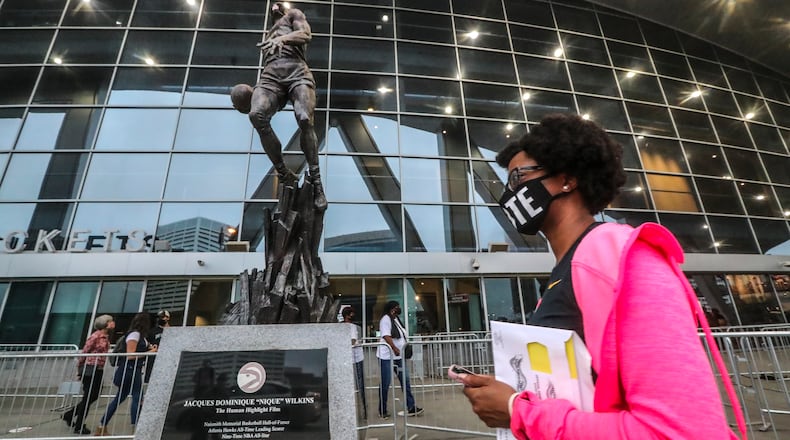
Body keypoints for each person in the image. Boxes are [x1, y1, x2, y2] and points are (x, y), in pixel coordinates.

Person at [457, 114, 746, 439]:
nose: (510, 194)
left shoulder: (623, 258)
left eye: (518, 178)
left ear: (567, 180)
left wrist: (518, 410)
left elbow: (678, 431)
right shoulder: (565, 273)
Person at [233, 1, 325, 210]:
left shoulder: (294, 15)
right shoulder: (268, 32)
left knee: (304, 118)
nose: (275, 6)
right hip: (271, 76)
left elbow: (305, 36)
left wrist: (283, 38)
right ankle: (284, 173)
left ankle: (317, 182)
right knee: (256, 115)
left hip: (296, 71)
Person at [95, 312, 157, 436]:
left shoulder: (139, 336)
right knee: (137, 397)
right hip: (130, 369)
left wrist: (149, 349)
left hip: (132, 369)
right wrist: (149, 353)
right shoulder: (134, 334)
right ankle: (135, 428)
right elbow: (130, 355)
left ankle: (102, 426)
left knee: (121, 398)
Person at [62, 314, 114, 435]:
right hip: (90, 368)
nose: (113, 323)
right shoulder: (95, 336)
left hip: (98, 368)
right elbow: (85, 351)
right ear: (105, 323)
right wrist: (80, 369)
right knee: (89, 396)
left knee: (93, 395)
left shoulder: (105, 336)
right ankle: (79, 425)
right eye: (111, 321)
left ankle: (69, 415)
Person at [376, 300, 423, 418]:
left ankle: (411, 407)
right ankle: (382, 410)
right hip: (387, 356)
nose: (399, 308)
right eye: (397, 307)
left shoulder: (396, 320)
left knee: (405, 381)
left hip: (399, 356)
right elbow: (386, 335)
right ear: (392, 308)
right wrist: (394, 348)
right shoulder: (385, 319)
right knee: (385, 383)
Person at [342, 306, 367, 419]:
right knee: (359, 384)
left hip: (352, 357)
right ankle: (363, 409)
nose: (353, 315)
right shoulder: (350, 327)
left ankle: (360, 408)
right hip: (355, 358)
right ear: (348, 315)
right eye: (352, 313)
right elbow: (352, 341)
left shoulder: (343, 326)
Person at [145, 309, 170, 382]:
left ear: (168, 318)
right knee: (150, 377)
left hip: (167, 357)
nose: (161, 319)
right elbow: (147, 343)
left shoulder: (172, 331)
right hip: (154, 358)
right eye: (159, 317)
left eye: (163, 317)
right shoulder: (152, 331)